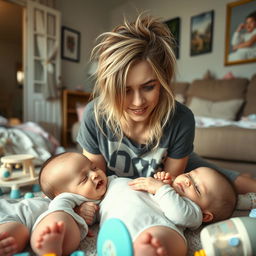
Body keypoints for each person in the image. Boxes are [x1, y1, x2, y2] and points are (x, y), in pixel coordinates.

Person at [77, 13, 256, 196]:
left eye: (148, 87)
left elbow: (167, 192)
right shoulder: (94, 115)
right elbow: (94, 191)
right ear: (109, 87)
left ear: (163, 81)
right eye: (125, 90)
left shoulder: (181, 118)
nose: (138, 102)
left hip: (174, 166)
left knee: (228, 184)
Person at [35, 152, 236, 256]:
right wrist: (83, 211)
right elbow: (91, 208)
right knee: (64, 216)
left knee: (163, 240)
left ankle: (147, 250)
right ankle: (55, 241)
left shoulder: (192, 211)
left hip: (157, 227)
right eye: (190, 175)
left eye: (197, 189)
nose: (186, 181)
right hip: (115, 231)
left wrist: (161, 189)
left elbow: (180, 216)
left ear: (206, 215)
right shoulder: (105, 188)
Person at [0, 152, 106, 256]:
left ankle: (49, 248)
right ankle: (49, 241)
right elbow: (58, 209)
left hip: (22, 222)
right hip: (11, 214)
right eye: (84, 179)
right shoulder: (64, 199)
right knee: (59, 220)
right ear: (61, 194)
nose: (94, 174)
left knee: (12, 241)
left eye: (94, 167)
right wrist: (77, 215)